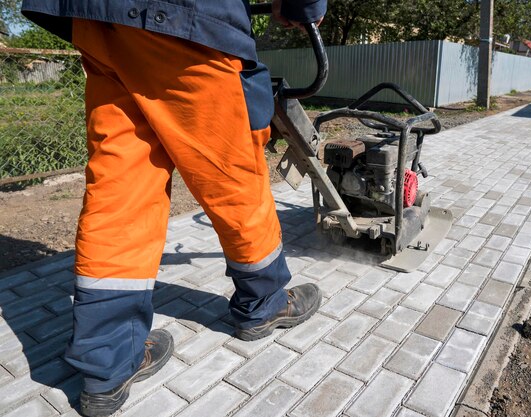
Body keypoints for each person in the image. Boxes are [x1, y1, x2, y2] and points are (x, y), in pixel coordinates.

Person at [19, 1, 326, 416]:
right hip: (185, 20)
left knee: (121, 185)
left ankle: (109, 362)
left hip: (99, 20)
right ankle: (265, 303)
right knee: (232, 176)